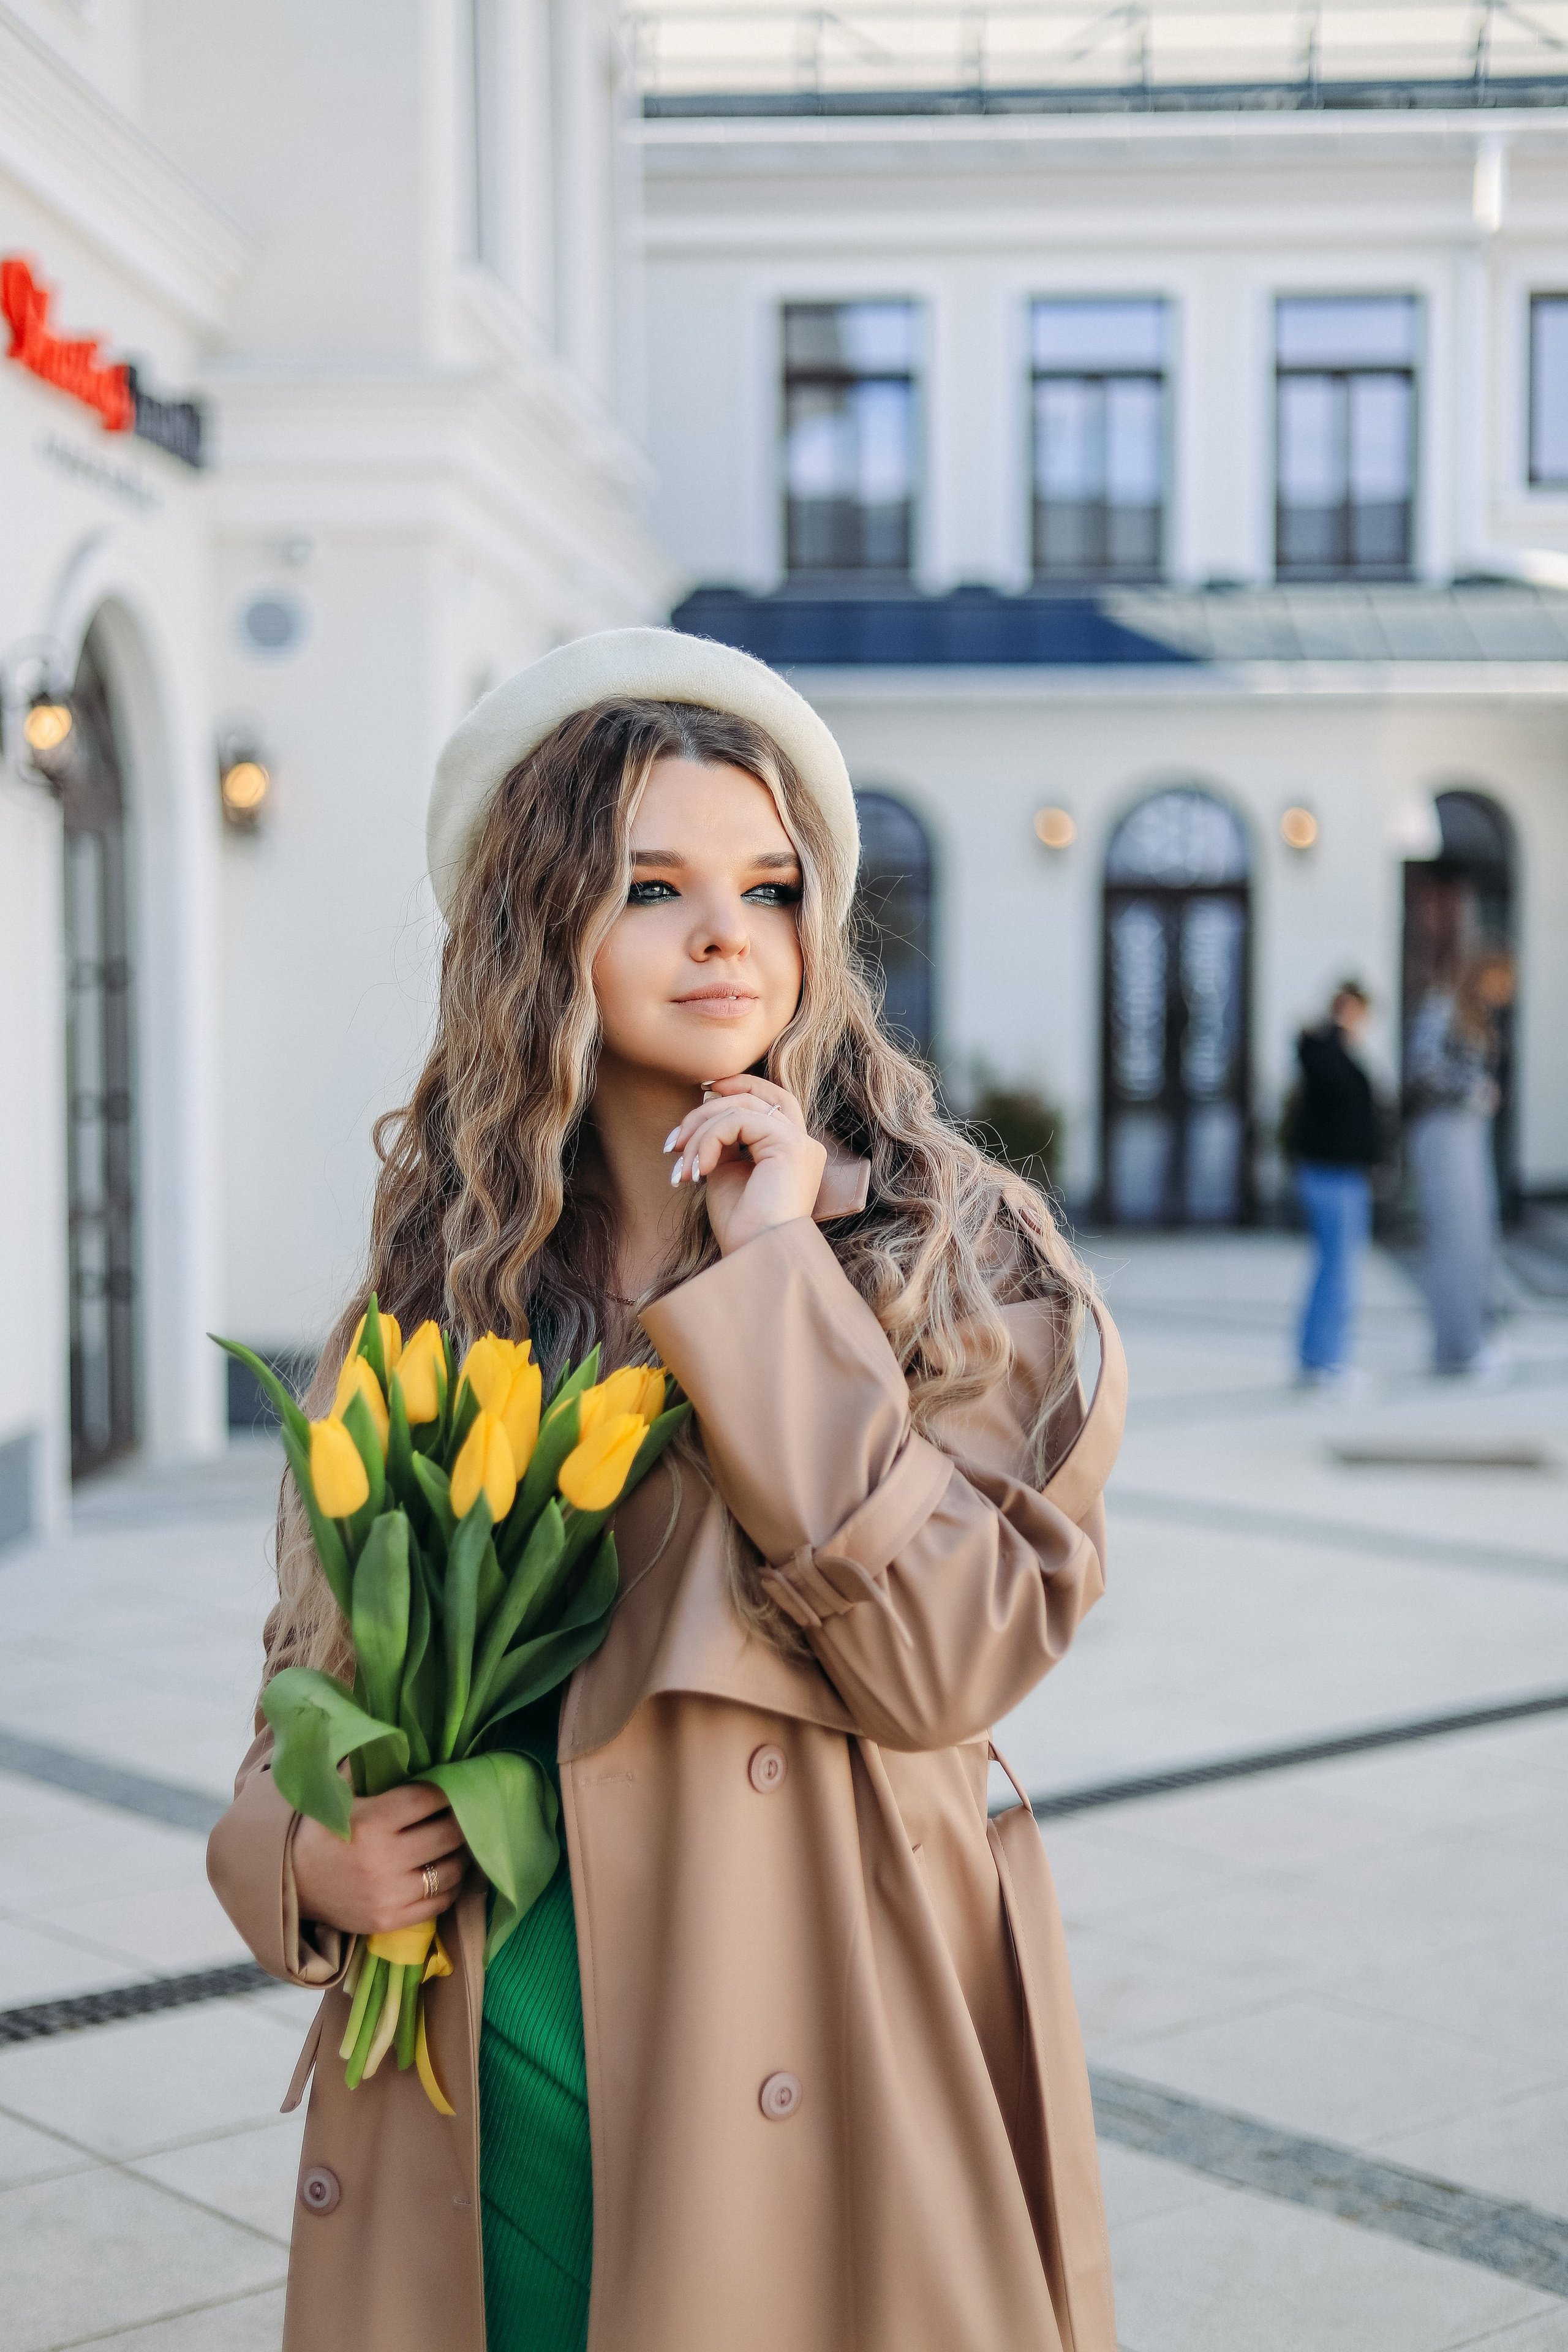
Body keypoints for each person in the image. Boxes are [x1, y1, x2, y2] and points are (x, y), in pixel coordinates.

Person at [206, 630, 1127, 2352]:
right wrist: (295, 1856)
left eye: (770, 887)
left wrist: (776, 1275)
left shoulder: (945, 1255)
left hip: (807, 2071)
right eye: (653, 886)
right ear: (534, 923)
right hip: (482, 2075)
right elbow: (310, 1676)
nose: (728, 935)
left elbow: (950, 1659)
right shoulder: (446, 1282)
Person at [1405, 944, 1516, 1376]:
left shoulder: (1480, 1017)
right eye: (1500, 981)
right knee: (1456, 1239)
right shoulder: (1442, 1009)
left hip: (1470, 1131)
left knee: (1479, 1236)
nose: (1504, 993)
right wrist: (1470, 1090)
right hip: (1444, 1130)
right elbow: (1424, 1069)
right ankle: (1458, 1348)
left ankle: (1475, 1336)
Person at [1287, 980, 1382, 1387]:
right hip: (1333, 1174)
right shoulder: (1326, 1053)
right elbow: (1331, 1091)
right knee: (1338, 1271)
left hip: (1342, 1173)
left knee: (1332, 1267)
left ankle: (1317, 1358)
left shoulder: (1335, 1053)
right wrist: (1330, 1032)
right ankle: (1328, 1362)